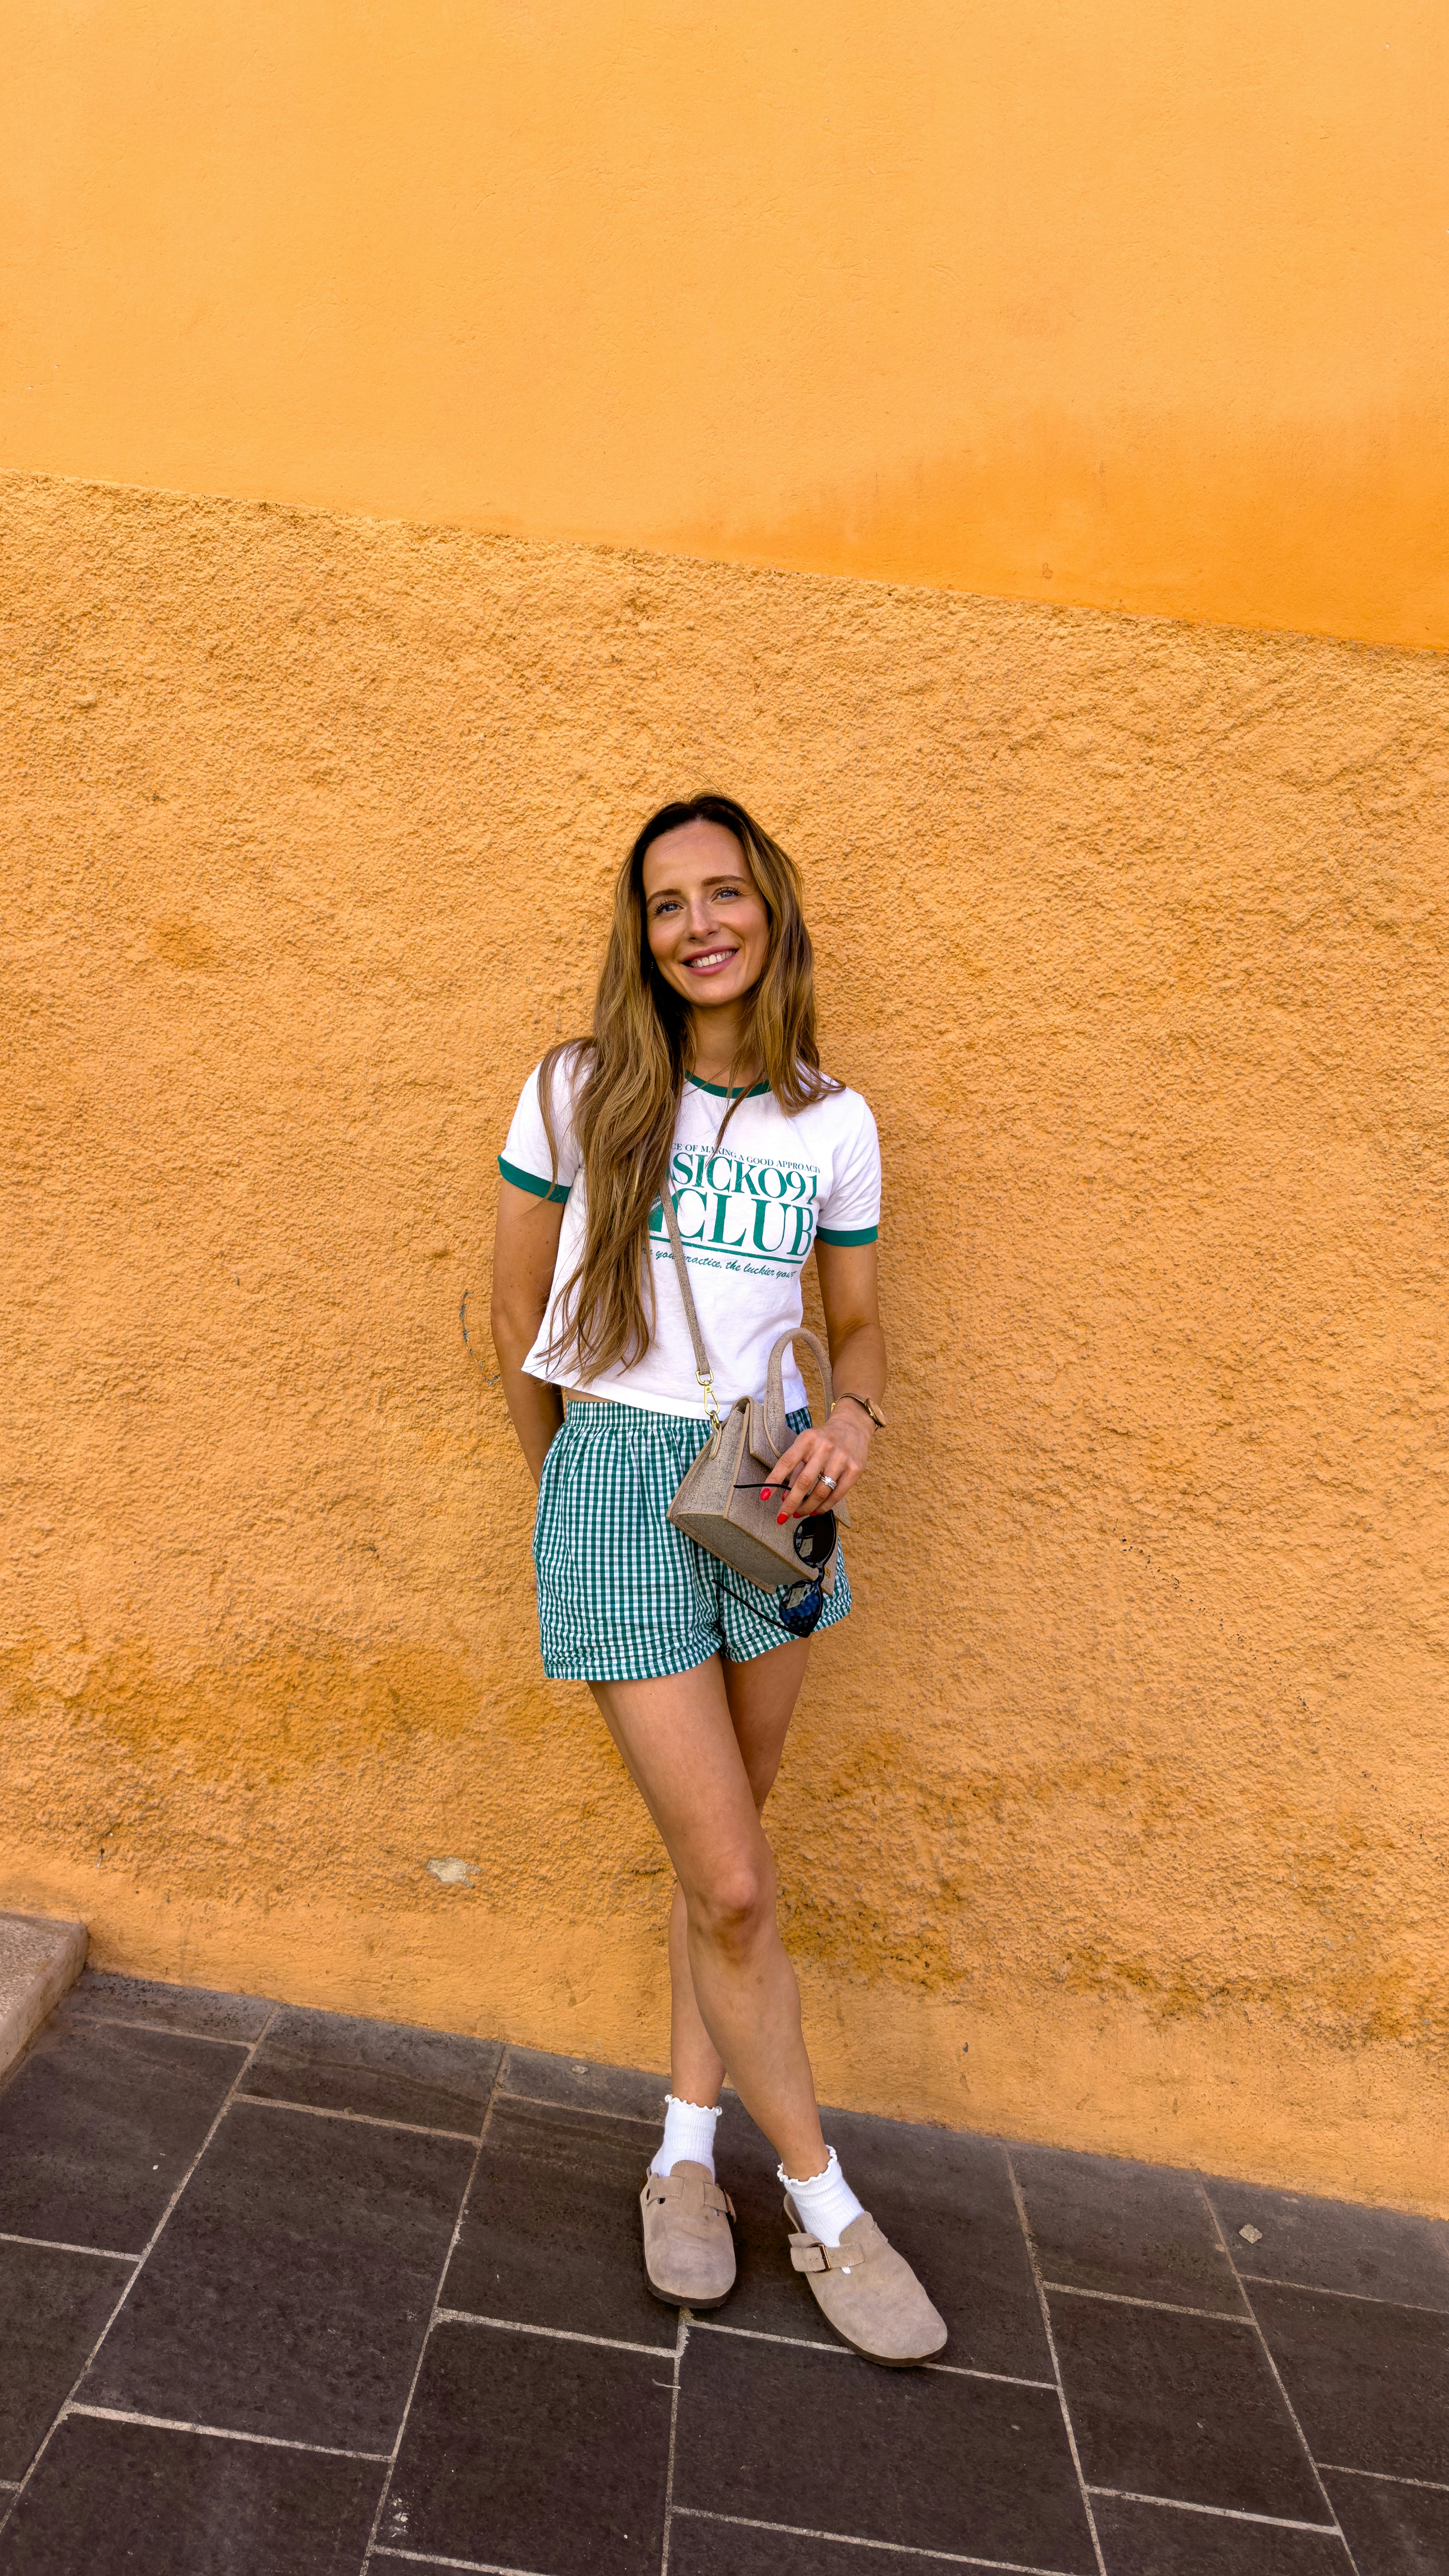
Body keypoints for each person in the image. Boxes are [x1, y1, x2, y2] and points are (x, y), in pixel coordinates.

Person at [490, 793, 944, 2365]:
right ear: (644, 932)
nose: (700, 924)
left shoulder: (834, 1120)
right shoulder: (579, 1089)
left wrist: (854, 1419)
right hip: (619, 1467)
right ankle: (827, 2205)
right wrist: (572, 1489)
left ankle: (686, 2159)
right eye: (669, 901)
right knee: (737, 1882)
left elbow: (858, 1320)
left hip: (769, 1479)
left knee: (729, 1853)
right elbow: (513, 1320)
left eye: (726, 893)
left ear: (772, 913)